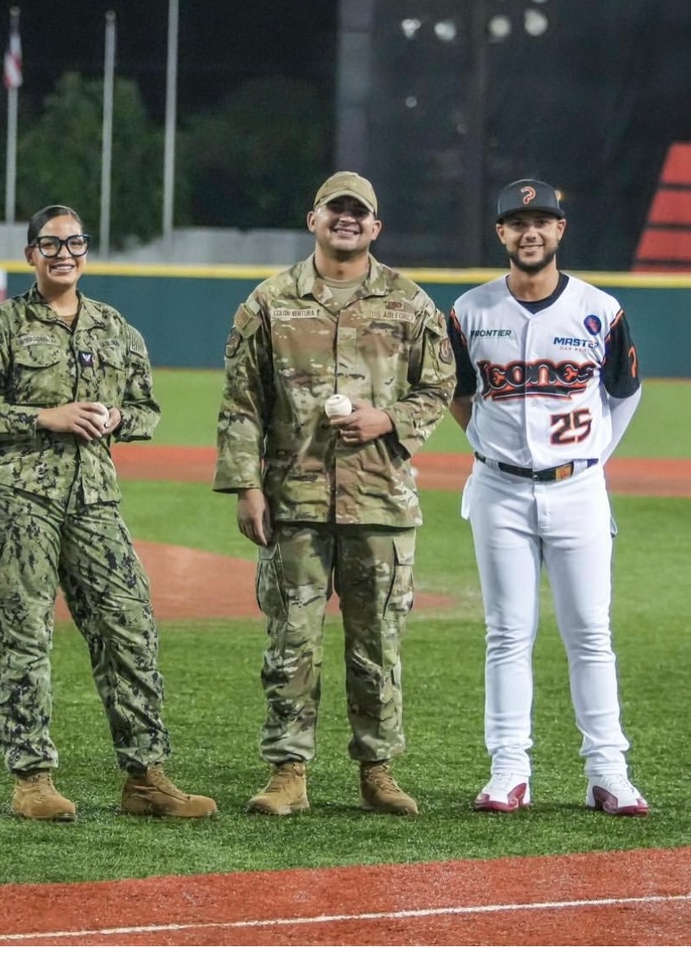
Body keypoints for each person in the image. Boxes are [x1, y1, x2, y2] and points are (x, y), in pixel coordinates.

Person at [0, 204, 217, 822]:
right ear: (30, 254)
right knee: (26, 635)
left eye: (74, 243)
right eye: (50, 244)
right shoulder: (1, 328)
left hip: (95, 502)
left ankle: (146, 777)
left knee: (129, 627)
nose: (63, 253)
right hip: (20, 504)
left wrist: (120, 418)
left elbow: (147, 407)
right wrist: (44, 417)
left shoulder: (113, 327)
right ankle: (32, 779)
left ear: (86, 252)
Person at [212, 172, 456, 816]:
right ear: (313, 219)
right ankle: (288, 770)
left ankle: (377, 768)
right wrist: (244, 485)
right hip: (294, 497)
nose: (346, 220)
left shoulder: (409, 302)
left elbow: (438, 389)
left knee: (377, 639)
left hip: (380, 499)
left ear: (375, 227)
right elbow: (242, 404)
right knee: (292, 637)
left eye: (359, 213)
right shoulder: (269, 302)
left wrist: (390, 420)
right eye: (334, 210)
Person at [447, 179, 647, 816]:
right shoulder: (469, 311)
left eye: (542, 220)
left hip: (579, 489)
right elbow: (457, 392)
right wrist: (485, 442)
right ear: (501, 233)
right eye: (517, 221)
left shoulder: (600, 309)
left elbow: (625, 390)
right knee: (507, 632)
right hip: (499, 489)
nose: (530, 231)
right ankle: (509, 768)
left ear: (560, 231)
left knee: (591, 631)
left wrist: (593, 461)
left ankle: (608, 771)